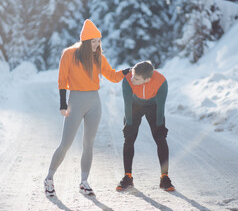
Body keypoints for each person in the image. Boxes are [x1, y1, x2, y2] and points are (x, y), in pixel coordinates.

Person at [44, 19, 129, 196]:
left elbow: (112, 76)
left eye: (98, 41)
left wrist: (126, 72)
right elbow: (61, 80)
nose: (97, 45)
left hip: (94, 102)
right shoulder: (69, 54)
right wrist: (62, 103)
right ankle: (49, 179)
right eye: (93, 41)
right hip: (75, 101)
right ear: (85, 41)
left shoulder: (99, 58)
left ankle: (84, 181)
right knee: (65, 144)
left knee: (88, 143)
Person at [116, 60, 175, 192]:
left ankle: (164, 177)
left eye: (136, 78)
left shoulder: (161, 82)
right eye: (132, 75)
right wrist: (129, 124)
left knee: (160, 138)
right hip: (134, 106)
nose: (132, 79)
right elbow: (127, 103)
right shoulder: (127, 80)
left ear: (147, 79)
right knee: (129, 138)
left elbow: (161, 106)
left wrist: (160, 126)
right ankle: (128, 176)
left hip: (153, 106)